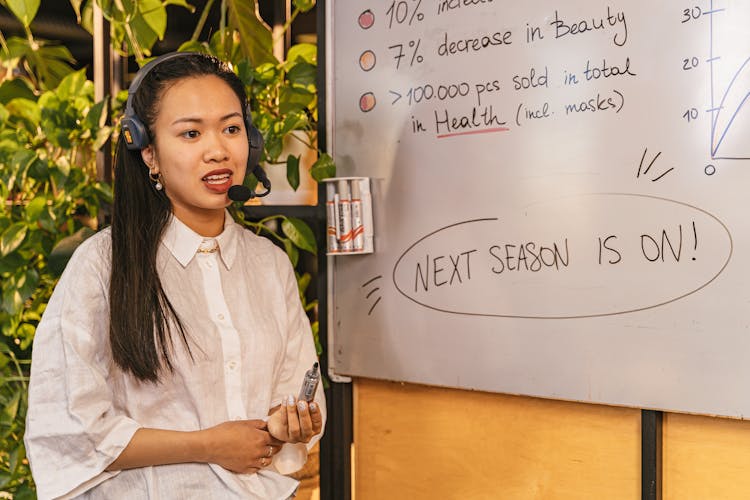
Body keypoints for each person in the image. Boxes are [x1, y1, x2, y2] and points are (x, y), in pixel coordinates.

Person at [24, 52, 325, 500]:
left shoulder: (270, 264)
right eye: (190, 132)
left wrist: (286, 427)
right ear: (149, 153)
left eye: (231, 128)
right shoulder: (101, 265)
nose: (218, 149)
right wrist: (208, 445)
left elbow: (295, 390)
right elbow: (70, 425)